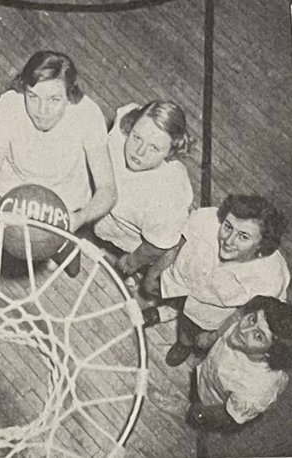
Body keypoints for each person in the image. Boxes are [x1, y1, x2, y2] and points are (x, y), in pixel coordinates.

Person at [0, 50, 117, 235]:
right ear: (24, 89)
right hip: (12, 198)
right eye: (33, 97)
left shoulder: (87, 114)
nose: (42, 111)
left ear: (70, 96)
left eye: (54, 99)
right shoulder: (8, 106)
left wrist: (80, 217)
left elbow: (108, 189)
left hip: (66, 203)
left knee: (66, 260)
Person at [142, 194, 290, 366]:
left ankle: (183, 343)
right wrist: (154, 271)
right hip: (184, 280)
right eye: (228, 227)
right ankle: (167, 310)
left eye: (243, 236)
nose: (228, 241)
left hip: (209, 309)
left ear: (261, 245)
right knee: (168, 294)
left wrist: (215, 335)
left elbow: (245, 312)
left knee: (190, 329)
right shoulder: (207, 219)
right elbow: (177, 245)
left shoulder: (271, 279)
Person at [151, 296, 292, 430]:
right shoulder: (243, 339)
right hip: (211, 373)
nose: (243, 329)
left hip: (214, 400)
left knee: (201, 411)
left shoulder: (254, 391)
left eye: (258, 336)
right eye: (252, 319)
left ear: (270, 353)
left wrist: (190, 411)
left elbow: (225, 417)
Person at [94, 100, 193, 277]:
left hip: (127, 238)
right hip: (100, 211)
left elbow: (156, 245)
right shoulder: (124, 120)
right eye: (137, 137)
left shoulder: (170, 199)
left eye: (154, 148)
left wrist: (132, 262)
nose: (138, 152)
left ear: (170, 152)